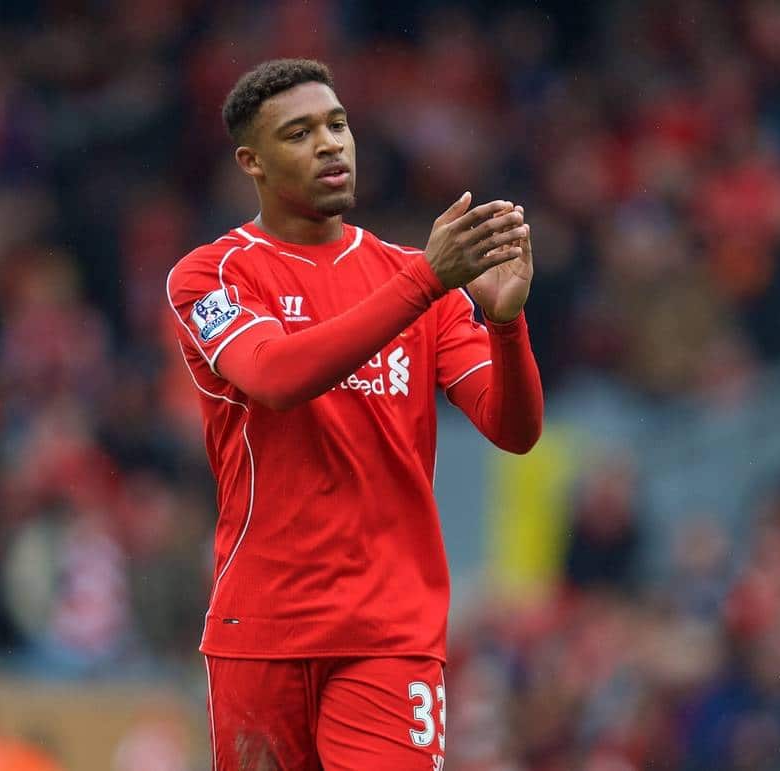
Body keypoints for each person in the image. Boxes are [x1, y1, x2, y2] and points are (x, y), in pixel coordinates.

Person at [165, 58, 543, 770]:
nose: (331, 144)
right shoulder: (212, 275)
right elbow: (275, 376)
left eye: (337, 124)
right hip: (260, 630)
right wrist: (427, 279)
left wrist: (507, 324)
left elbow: (512, 428)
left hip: (388, 632)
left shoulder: (413, 278)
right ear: (252, 161)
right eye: (300, 133)